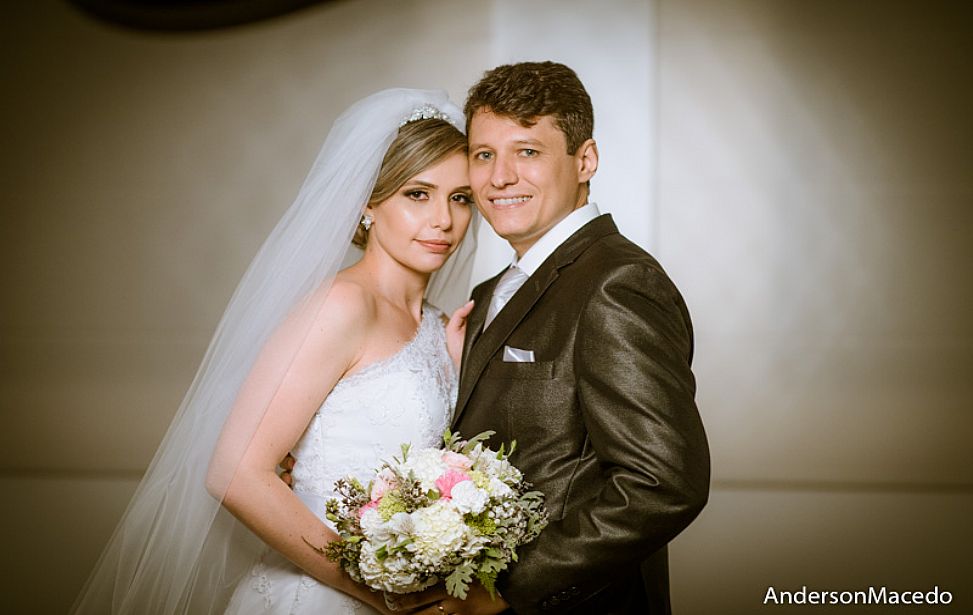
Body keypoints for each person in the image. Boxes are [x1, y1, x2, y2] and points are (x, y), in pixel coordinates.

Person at [71, 89, 478, 614]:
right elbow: (235, 474)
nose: (443, 219)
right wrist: (379, 594)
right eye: (417, 194)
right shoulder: (341, 306)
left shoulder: (442, 327)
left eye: (461, 198)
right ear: (368, 204)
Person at [401, 62, 711, 615]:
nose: (500, 178)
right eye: (483, 155)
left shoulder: (617, 282)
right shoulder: (491, 290)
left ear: (584, 160)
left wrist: (507, 588)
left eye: (527, 152)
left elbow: (662, 483)